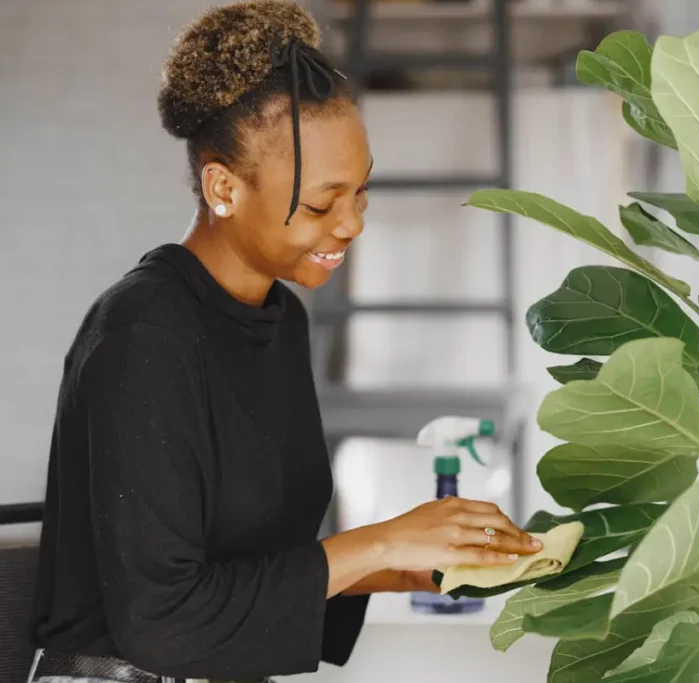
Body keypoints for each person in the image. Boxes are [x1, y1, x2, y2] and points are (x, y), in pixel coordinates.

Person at [28, 2, 539, 682]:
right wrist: (379, 540)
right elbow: (162, 622)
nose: (353, 223)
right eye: (323, 203)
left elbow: (258, 571)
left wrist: (400, 567)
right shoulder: (142, 336)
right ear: (223, 187)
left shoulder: (281, 321)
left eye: (362, 191)